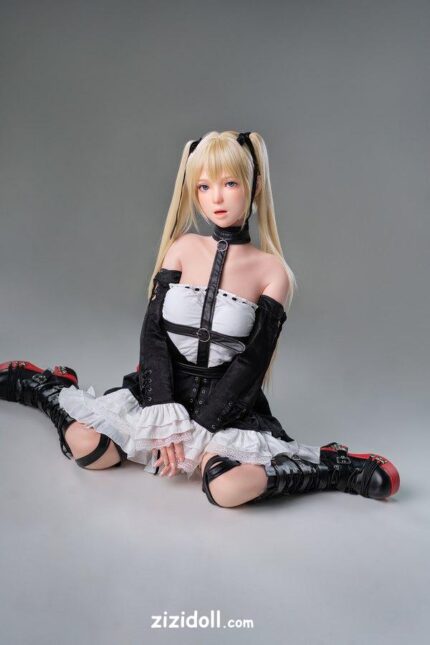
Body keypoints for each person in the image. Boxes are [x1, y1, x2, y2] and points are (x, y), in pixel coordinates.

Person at [0, 130, 400, 508]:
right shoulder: (181, 248)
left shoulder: (272, 271)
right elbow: (153, 334)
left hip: (228, 407)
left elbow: (252, 363)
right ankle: (48, 388)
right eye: (204, 187)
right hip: (161, 389)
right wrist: (161, 409)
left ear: (255, 186)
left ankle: (333, 467)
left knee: (226, 488)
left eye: (230, 183)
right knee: (89, 449)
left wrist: (203, 425)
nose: (216, 198)